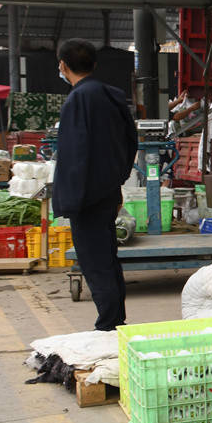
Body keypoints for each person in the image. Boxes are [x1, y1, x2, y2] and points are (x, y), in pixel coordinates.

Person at [52, 39, 138, 331]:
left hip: (85, 196)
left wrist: (70, 200)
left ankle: (108, 324)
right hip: (107, 191)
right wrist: (117, 181)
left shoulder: (77, 100)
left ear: (63, 65)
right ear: (94, 64)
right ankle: (115, 319)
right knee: (107, 257)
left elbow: (74, 154)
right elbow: (130, 142)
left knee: (94, 261)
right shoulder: (112, 96)